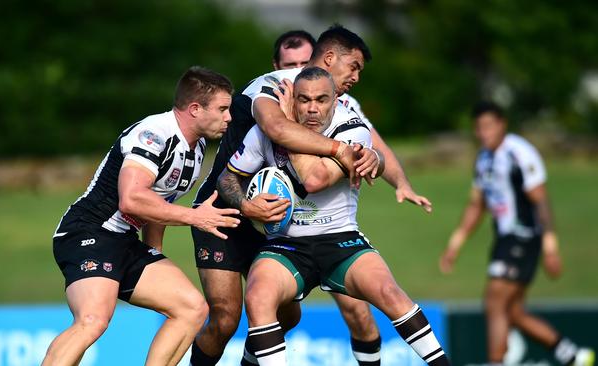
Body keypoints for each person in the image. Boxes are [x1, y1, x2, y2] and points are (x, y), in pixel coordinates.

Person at [217, 67, 450, 365]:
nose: (312, 108)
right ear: (294, 100)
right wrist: (247, 206)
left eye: (321, 100)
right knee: (258, 297)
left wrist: (287, 127)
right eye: (303, 100)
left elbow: (314, 180)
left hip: (341, 241)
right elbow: (227, 178)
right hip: (287, 245)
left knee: (390, 294)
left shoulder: (352, 130)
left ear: (336, 100)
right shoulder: (264, 131)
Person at [42, 66, 242, 366]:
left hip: (124, 241)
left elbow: (157, 203)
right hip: (88, 231)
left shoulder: (197, 147)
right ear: (195, 109)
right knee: (93, 320)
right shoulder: (154, 133)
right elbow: (132, 199)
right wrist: (196, 217)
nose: (229, 117)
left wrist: (154, 255)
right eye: (223, 109)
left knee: (192, 308)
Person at [439, 101, 595, 366]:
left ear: (502, 124)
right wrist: (456, 244)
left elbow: (541, 202)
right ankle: (573, 356)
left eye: (488, 126)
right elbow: (477, 205)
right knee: (513, 311)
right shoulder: (484, 160)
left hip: (524, 236)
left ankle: (496, 362)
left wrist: (550, 247)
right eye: (478, 128)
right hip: (503, 238)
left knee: (494, 300)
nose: (483, 133)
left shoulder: (519, 153)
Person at [271, 29, 383, 366]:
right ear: (277, 67)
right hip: (282, 235)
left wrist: (383, 165)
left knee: (359, 315)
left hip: (333, 233)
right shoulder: (268, 101)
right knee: (268, 313)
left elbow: (371, 145)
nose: (299, 70)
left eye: (305, 62)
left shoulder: (345, 107)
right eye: (291, 65)